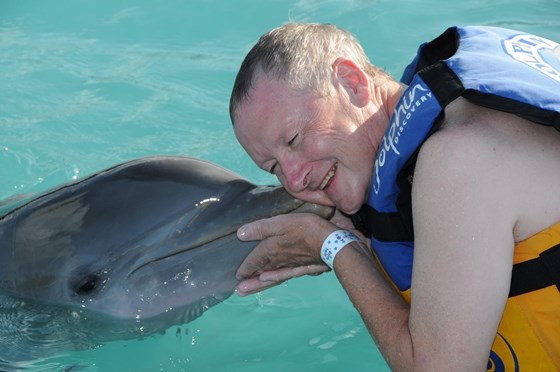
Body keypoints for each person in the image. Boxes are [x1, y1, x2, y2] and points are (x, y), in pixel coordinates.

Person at [229, 23, 560, 371]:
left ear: (352, 82)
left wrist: (333, 247)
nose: (294, 178)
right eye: (274, 168)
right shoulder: (433, 138)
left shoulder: (459, 157)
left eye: (294, 139)